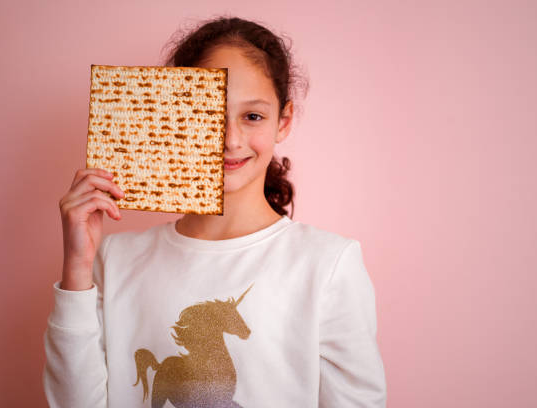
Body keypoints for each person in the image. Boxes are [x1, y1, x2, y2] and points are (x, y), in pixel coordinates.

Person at [43, 15, 387, 408]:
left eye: (252, 116)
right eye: (209, 115)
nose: (230, 139)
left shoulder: (327, 265)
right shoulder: (115, 260)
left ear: (284, 121)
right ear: (178, 115)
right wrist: (77, 266)